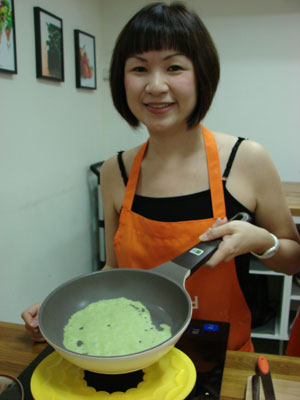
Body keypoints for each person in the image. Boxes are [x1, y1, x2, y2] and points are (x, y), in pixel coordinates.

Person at [22, 2, 300, 351]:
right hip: (133, 353)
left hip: (223, 360)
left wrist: (261, 241)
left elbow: (293, 259)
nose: (155, 86)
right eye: (139, 68)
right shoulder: (114, 172)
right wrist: (57, 312)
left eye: (174, 67)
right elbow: (114, 268)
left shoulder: (247, 160)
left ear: (202, 74)